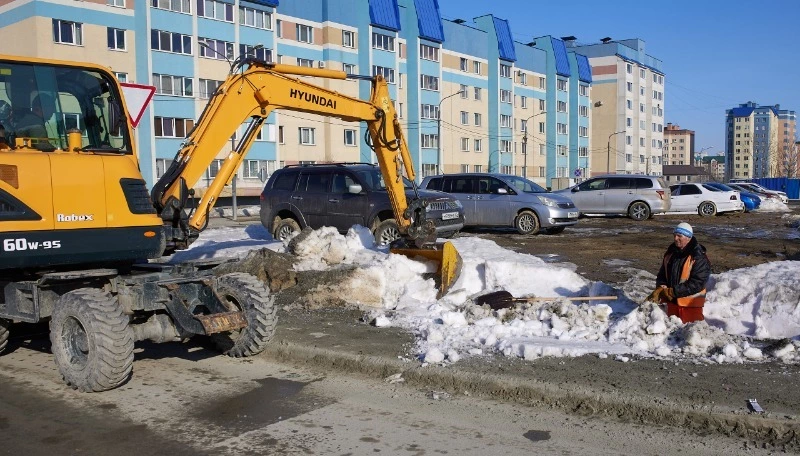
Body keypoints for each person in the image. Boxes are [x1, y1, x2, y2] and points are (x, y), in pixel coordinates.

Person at [647, 222, 711, 323]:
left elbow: (698, 283)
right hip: (672, 303)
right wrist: (661, 285)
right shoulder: (671, 253)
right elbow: (662, 273)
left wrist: (673, 292)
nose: (675, 238)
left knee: (691, 331)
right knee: (672, 330)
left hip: (690, 305)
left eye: (679, 236)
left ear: (688, 238)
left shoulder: (698, 257)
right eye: (674, 235)